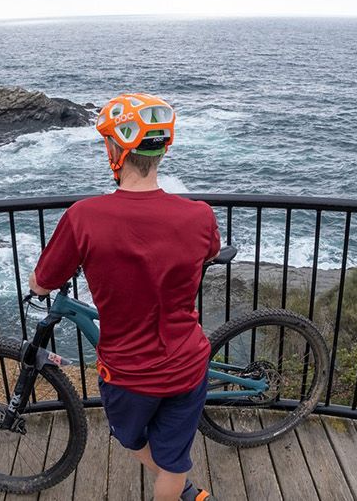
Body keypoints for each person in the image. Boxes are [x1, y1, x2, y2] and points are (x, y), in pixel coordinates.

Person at [29, 93, 219, 501]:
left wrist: (42, 284)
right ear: (162, 150)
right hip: (188, 363)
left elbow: (43, 282)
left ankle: (181, 485)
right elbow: (210, 251)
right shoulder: (200, 214)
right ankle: (180, 486)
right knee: (174, 462)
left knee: (131, 440)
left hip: (129, 373)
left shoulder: (84, 217)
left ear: (115, 150)